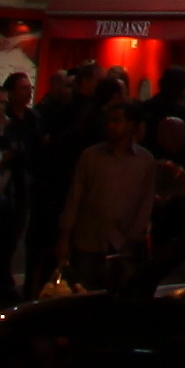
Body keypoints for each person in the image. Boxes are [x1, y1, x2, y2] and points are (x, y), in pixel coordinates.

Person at [56, 100, 164, 288]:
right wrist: (64, 237)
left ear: (131, 124)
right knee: (84, 292)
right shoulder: (90, 156)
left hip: (125, 242)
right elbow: (74, 197)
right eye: (108, 120)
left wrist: (134, 235)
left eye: (117, 120)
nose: (110, 125)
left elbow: (145, 202)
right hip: (88, 240)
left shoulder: (145, 160)